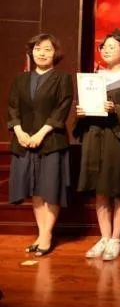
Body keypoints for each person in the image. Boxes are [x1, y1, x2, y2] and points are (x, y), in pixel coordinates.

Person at [75, 29, 120, 261]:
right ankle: (104, 237)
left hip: (118, 139)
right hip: (94, 136)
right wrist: (81, 113)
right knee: (100, 189)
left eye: (112, 47)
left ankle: (116, 239)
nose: (106, 50)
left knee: (118, 189)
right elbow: (83, 110)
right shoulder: (93, 78)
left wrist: (117, 109)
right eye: (103, 47)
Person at [7, 33, 73, 256]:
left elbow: (61, 109)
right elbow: (12, 108)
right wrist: (19, 131)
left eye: (47, 49)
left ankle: (46, 235)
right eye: (37, 49)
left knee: (50, 189)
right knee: (35, 189)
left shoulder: (62, 78)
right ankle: (42, 234)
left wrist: (41, 133)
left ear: (55, 54)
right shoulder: (21, 79)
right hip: (24, 141)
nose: (41, 53)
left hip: (51, 140)